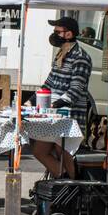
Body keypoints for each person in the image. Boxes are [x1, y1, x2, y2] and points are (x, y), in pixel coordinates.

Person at [30, 16, 92, 179]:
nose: (54, 34)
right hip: (54, 115)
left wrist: (55, 104)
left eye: (58, 31)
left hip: (70, 115)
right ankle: (62, 179)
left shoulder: (81, 57)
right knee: (39, 151)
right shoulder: (60, 53)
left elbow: (76, 89)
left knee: (62, 151)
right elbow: (49, 82)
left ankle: (74, 184)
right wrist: (31, 99)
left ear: (69, 34)